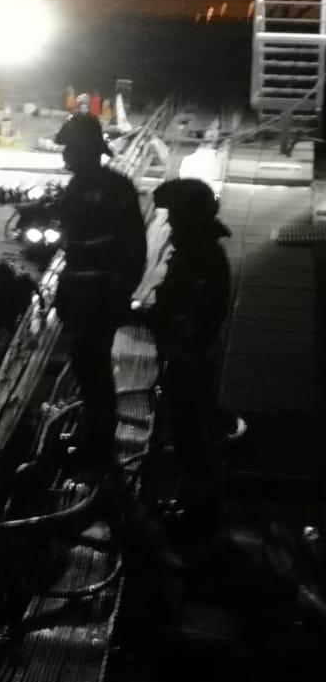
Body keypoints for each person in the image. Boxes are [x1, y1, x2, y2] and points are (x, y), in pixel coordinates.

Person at [53, 113, 147, 472]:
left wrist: (119, 289)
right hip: (81, 292)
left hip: (101, 294)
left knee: (92, 364)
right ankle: (94, 438)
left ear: (86, 149)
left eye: (69, 148)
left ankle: (99, 446)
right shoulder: (77, 187)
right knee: (85, 363)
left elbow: (133, 246)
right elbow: (74, 248)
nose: (64, 156)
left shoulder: (114, 189)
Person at [142, 178, 234, 517]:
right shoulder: (197, 253)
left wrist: (176, 343)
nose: (169, 224)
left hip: (190, 359)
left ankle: (199, 508)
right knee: (188, 428)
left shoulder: (202, 260)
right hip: (186, 356)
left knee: (191, 431)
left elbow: (196, 315)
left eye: (174, 217)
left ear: (189, 219)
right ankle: (196, 499)